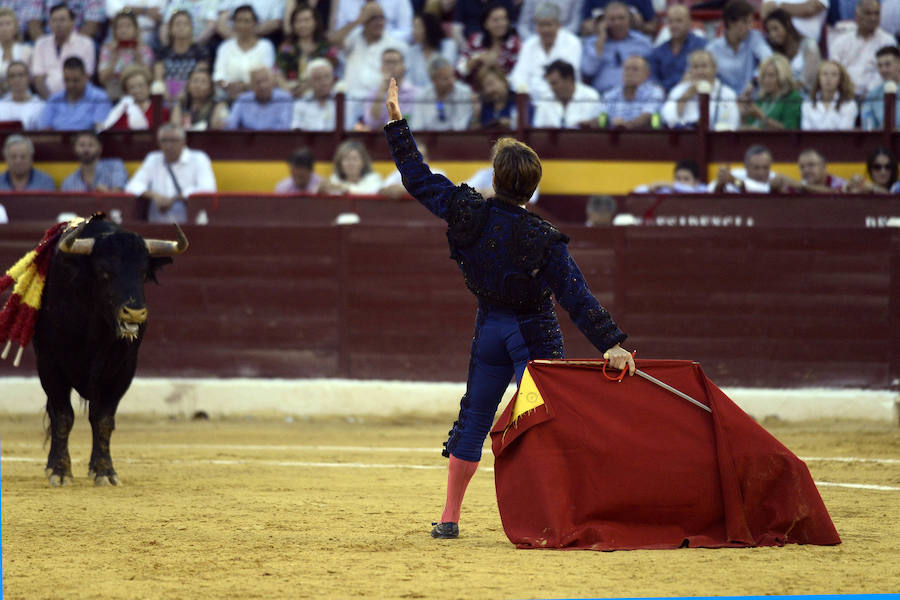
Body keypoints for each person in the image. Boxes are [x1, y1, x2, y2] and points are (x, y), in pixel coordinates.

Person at [381, 76, 634, 539]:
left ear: (495, 178)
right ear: (532, 191)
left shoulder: (466, 210)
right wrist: (612, 343)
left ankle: (451, 517)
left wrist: (397, 124)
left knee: (474, 417)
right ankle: (558, 514)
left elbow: (416, 178)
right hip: (534, 334)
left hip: (489, 331)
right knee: (548, 423)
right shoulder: (541, 238)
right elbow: (575, 295)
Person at [334, 2, 408, 127]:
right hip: (351, 102)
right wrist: (358, 21)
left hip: (377, 103)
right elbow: (333, 40)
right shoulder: (353, 38)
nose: (379, 22)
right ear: (363, 21)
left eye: (381, 17)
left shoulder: (396, 45)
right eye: (373, 18)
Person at [125, 123, 217, 223]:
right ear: (158, 143)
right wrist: (155, 196)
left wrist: (174, 199)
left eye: (173, 141)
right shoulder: (153, 159)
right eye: (164, 141)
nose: (168, 146)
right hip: (156, 227)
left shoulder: (199, 159)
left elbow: (208, 189)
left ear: (184, 142)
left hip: (189, 227)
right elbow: (132, 186)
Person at [508, 2, 581, 96]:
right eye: (541, 25)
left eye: (549, 25)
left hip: (561, 97)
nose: (545, 30)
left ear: (558, 25)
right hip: (531, 98)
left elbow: (568, 77)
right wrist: (525, 92)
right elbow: (519, 75)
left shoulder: (572, 43)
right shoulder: (529, 45)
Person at [580, 1, 653, 96]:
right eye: (612, 19)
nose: (617, 23)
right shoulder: (593, 43)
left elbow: (651, 73)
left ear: (629, 20)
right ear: (604, 22)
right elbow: (588, 71)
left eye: (621, 18)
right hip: (602, 95)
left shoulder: (643, 43)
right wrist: (600, 41)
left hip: (637, 96)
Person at [828, 0, 895, 97]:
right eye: (868, 13)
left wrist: (869, 94)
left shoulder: (888, 42)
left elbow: (887, 74)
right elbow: (833, 70)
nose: (873, 18)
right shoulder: (841, 41)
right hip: (843, 96)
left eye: (876, 13)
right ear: (857, 15)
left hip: (875, 97)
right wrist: (846, 92)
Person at [660, 49, 740, 130]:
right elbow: (667, 120)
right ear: (690, 70)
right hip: (685, 139)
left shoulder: (727, 93)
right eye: (695, 67)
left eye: (704, 66)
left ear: (714, 68)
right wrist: (687, 95)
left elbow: (732, 124)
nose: (700, 71)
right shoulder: (679, 90)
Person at [706, 0, 773, 96]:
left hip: (753, 101)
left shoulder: (754, 37)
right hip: (725, 103)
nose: (750, 27)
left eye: (751, 22)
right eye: (745, 22)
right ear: (731, 23)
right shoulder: (712, 49)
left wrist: (755, 81)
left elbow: (768, 58)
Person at [213, 5, 277, 103]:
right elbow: (219, 76)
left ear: (255, 23)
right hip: (229, 96)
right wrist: (228, 86)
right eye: (238, 21)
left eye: (247, 21)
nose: (242, 25)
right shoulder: (225, 47)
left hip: (257, 98)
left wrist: (244, 87)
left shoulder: (265, 46)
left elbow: (266, 75)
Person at [30, 4, 95, 99]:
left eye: (62, 20)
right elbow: (38, 79)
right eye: (54, 20)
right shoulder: (41, 43)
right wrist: (51, 101)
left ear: (72, 23)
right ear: (49, 24)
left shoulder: (86, 43)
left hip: (77, 98)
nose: (58, 24)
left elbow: (86, 76)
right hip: (47, 99)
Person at [275, 2, 339, 97]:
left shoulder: (327, 47)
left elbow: (332, 75)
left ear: (315, 22)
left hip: (320, 96)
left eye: (307, 20)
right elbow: (277, 72)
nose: (302, 25)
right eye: (298, 21)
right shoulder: (287, 48)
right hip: (291, 94)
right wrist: (287, 88)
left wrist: (308, 86)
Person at [456, 2, 520, 89]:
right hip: (475, 93)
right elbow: (459, 71)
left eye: (504, 19)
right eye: (496, 20)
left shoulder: (515, 44)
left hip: (505, 93)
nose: (501, 24)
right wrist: (477, 60)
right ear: (485, 24)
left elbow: (519, 76)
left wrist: (497, 70)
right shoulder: (475, 40)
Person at [37, 57, 112, 131]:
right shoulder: (54, 99)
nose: (71, 85)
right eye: (67, 80)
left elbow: (100, 131)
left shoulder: (100, 98)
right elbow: (44, 131)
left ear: (85, 77)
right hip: (57, 142)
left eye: (75, 80)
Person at [153, 10, 212, 102]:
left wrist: (185, 92)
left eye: (185, 24)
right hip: (166, 93)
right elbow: (158, 77)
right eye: (178, 24)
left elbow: (200, 76)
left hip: (191, 94)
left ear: (191, 28)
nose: (181, 27)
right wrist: (165, 91)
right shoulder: (162, 51)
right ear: (171, 29)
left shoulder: (200, 52)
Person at [97, 10, 155, 101]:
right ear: (114, 30)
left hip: (138, 95)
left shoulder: (144, 50)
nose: (123, 30)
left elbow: (149, 79)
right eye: (120, 27)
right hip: (115, 95)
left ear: (135, 29)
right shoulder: (107, 50)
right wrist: (113, 61)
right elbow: (102, 79)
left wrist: (139, 58)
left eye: (128, 26)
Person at [648, 5, 707, 94]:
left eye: (679, 21)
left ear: (689, 23)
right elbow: (653, 78)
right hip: (664, 98)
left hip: (693, 95)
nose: (674, 25)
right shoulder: (658, 52)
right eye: (670, 21)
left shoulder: (702, 46)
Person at [762, 8, 820, 92]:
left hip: (808, 97)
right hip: (784, 98)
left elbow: (809, 78)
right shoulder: (774, 51)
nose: (772, 35)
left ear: (787, 24)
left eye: (775, 28)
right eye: (769, 31)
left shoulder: (809, 44)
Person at [409, 56, 475, 131]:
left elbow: (461, 127)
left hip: (457, 139)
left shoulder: (464, 93)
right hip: (428, 140)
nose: (451, 81)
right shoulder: (421, 97)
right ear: (433, 80)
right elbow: (417, 127)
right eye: (445, 79)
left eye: (452, 76)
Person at [532, 59, 601, 128]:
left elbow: (598, 128)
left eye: (554, 83)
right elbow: (537, 131)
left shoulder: (591, 96)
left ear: (569, 79)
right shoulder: (545, 100)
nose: (551, 88)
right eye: (549, 84)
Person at [739, 54, 802, 129]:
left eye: (771, 76)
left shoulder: (793, 98)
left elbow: (789, 131)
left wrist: (761, 116)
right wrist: (743, 117)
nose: (766, 80)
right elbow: (748, 127)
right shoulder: (761, 99)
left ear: (782, 76)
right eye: (763, 76)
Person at [599, 55, 664, 129]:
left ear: (647, 74)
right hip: (613, 137)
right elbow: (601, 116)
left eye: (635, 69)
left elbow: (648, 116)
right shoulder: (610, 94)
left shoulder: (654, 92)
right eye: (626, 69)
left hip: (642, 137)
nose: (629, 73)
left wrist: (627, 125)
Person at [362, 48, 418, 130]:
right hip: (380, 138)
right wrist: (381, 91)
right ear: (381, 67)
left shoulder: (415, 93)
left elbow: (409, 122)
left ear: (403, 67)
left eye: (394, 62)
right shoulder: (372, 94)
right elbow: (371, 123)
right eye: (387, 62)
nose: (390, 66)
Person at [101, 65, 170, 131]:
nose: (137, 90)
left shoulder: (161, 111)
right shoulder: (120, 113)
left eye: (141, 85)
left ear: (148, 86)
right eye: (132, 87)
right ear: (126, 91)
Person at [225, 66, 293, 130]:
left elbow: (285, 126)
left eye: (265, 80)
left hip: (276, 140)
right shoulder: (242, 100)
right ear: (251, 86)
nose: (263, 86)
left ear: (272, 82)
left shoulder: (284, 99)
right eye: (258, 82)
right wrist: (222, 123)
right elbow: (230, 124)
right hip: (248, 141)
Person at [710, 144, 798, 192]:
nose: (761, 173)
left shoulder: (776, 178)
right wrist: (721, 183)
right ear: (746, 167)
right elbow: (711, 190)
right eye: (756, 168)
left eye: (765, 168)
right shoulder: (735, 174)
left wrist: (733, 181)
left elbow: (745, 186)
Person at [60, 130, 129, 192]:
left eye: (91, 145)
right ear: (74, 149)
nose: (86, 149)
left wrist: (106, 194)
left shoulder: (115, 167)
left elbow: (121, 198)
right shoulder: (68, 182)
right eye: (81, 145)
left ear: (100, 148)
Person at [406, 12, 457, 90]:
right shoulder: (411, 51)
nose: (413, 32)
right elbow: (409, 80)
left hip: (444, 92)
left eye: (417, 27)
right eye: (413, 27)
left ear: (429, 28)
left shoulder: (448, 46)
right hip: (417, 98)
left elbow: (445, 72)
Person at [801, 60, 857, 130]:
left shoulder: (849, 104)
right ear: (818, 78)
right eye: (824, 74)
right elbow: (806, 132)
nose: (828, 78)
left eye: (834, 74)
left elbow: (845, 133)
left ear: (840, 79)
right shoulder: (808, 104)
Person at [290, 57, 344, 130]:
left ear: (333, 78)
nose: (324, 82)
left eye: (327, 77)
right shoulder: (301, 104)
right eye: (318, 78)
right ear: (309, 82)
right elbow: (297, 132)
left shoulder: (344, 101)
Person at [318, 139, 383, 195]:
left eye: (355, 159)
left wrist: (345, 188)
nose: (351, 163)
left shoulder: (374, 178)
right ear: (339, 163)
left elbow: (372, 192)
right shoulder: (334, 179)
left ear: (363, 162)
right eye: (346, 159)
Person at [861, 45, 900, 130]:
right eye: (880, 65)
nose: (883, 70)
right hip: (880, 141)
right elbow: (867, 127)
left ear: (898, 65)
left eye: (887, 65)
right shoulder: (872, 95)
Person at [0, 61, 44, 129]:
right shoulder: (1, 105)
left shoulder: (40, 106)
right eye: (12, 76)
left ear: (28, 78)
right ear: (7, 80)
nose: (17, 79)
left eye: (21, 75)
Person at [472, 64, 518, 128]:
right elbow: (474, 135)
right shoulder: (484, 106)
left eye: (490, 84)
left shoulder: (518, 101)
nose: (488, 91)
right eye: (483, 88)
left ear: (503, 80)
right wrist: (476, 117)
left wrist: (512, 124)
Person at [760, 0, 827, 43]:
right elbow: (765, 12)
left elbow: (810, 9)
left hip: (807, 43)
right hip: (780, 44)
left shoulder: (780, 5)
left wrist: (781, 6)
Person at [0, 8, 32, 91]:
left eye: (8, 24)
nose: (4, 28)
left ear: (15, 28)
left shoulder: (27, 51)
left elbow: (31, 79)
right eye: (1, 24)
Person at [633, 159, 708, 193]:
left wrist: (667, 184)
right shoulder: (670, 190)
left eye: (686, 179)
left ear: (697, 181)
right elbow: (638, 190)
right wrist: (650, 188)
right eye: (678, 178)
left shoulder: (702, 189)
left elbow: (690, 191)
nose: (681, 182)